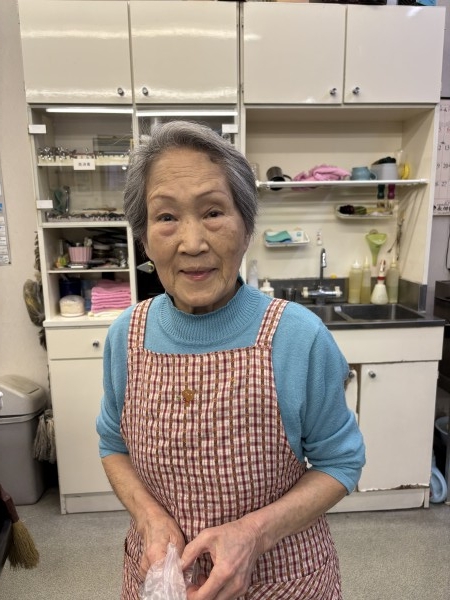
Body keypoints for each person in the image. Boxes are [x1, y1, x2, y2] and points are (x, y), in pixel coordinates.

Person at [96, 120, 365, 600]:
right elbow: (113, 445)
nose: (192, 243)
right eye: (166, 217)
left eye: (213, 212)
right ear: (144, 239)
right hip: (161, 578)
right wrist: (150, 518)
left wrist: (253, 534)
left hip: (282, 580)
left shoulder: (297, 337)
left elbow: (340, 462)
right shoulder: (127, 337)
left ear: (246, 227)